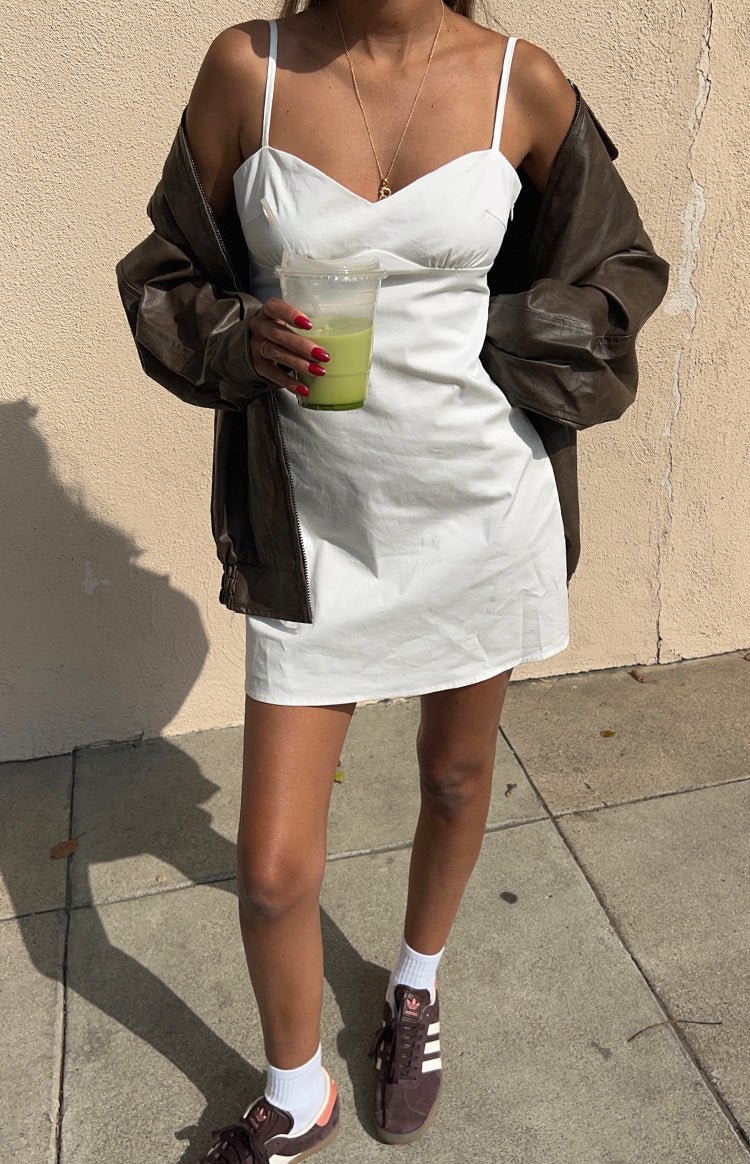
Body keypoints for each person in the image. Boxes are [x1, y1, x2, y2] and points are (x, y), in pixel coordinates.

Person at [177, 1, 589, 1159]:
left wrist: (505, 344)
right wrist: (236, 334)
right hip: (313, 531)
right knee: (268, 873)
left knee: (455, 779)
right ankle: (297, 1088)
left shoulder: (523, 79)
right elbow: (173, 269)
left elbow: (612, 267)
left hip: (477, 508)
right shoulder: (245, 71)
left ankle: (415, 988)